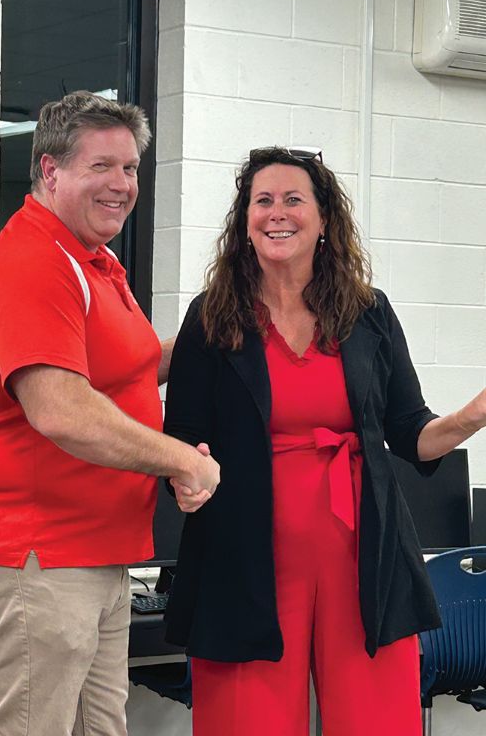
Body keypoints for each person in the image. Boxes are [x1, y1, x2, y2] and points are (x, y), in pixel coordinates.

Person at [162, 146, 486, 736]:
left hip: (364, 558)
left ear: (324, 220)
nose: (276, 213)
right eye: (263, 201)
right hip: (245, 558)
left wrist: (475, 414)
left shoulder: (368, 314)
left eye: (293, 199)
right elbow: (181, 439)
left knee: (377, 723)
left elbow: (413, 436)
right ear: (245, 221)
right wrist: (184, 477)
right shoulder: (211, 317)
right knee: (247, 724)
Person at [0, 91, 219, 736]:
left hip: (95, 554)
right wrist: (183, 461)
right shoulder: (33, 260)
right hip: (35, 560)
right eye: (102, 167)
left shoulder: (94, 261)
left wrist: (221, 336)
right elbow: (62, 409)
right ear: (49, 170)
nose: (122, 185)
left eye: (130, 168)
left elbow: (125, 373)